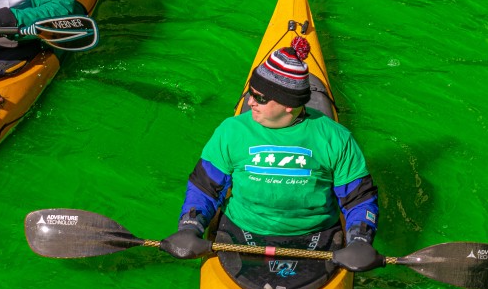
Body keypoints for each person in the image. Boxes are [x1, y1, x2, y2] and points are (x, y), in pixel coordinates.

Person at [159, 37, 384, 273]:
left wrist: (360, 239)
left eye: (261, 97)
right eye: (250, 93)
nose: (250, 101)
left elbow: (358, 198)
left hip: (316, 236)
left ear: (289, 104)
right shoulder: (231, 131)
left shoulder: (336, 138)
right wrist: (189, 226)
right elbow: (204, 187)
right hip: (240, 230)